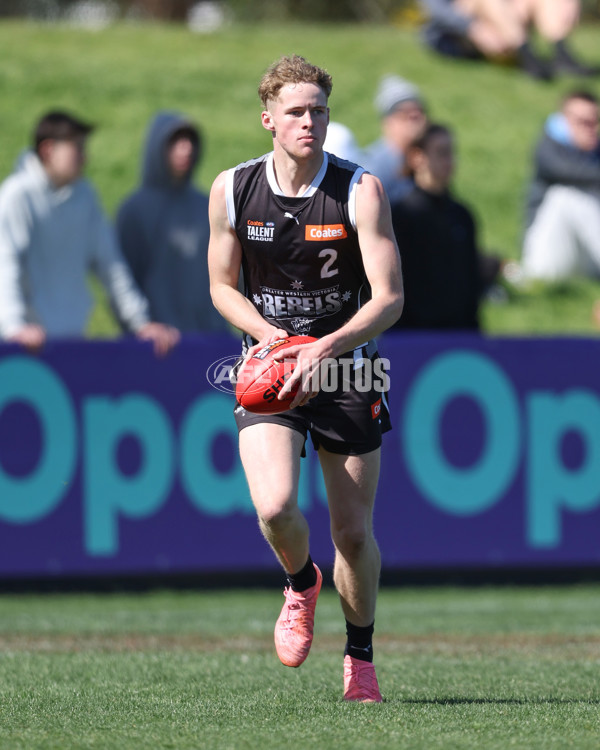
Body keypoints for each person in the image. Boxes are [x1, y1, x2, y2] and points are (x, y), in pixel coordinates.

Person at [207, 55, 403, 702]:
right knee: (273, 506)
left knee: (352, 531)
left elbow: (389, 297)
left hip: (347, 365)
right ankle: (299, 583)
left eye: (318, 109)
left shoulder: (359, 188)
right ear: (268, 119)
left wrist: (329, 345)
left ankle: (361, 656)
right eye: (295, 111)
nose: (309, 122)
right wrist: (271, 342)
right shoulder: (233, 188)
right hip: (271, 371)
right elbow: (221, 286)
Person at [0, 110, 179, 356]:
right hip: (25, 350)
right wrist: (14, 328)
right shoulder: (16, 197)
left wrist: (141, 323)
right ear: (48, 150)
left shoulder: (85, 197)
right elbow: (5, 266)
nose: (84, 158)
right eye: (76, 148)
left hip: (72, 343)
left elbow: (111, 265)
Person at [116, 111, 228, 333]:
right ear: (156, 148)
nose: (185, 148)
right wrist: (139, 327)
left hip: (210, 339)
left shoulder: (207, 206)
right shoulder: (134, 210)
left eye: (190, 141)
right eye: (175, 141)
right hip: (157, 344)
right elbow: (122, 280)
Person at [390, 123, 499, 330]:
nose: (450, 161)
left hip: (459, 335)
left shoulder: (462, 215)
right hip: (412, 337)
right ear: (417, 158)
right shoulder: (401, 215)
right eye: (441, 152)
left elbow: (468, 282)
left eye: (451, 153)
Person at [520, 90, 600, 283]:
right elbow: (572, 173)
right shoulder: (548, 148)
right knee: (566, 196)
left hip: (587, 258)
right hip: (546, 259)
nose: (591, 129)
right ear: (563, 121)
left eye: (594, 122)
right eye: (582, 122)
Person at [419, 0, 598, 81]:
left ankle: (562, 53)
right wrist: (472, 27)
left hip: (502, 27)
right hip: (462, 37)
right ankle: (526, 55)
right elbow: (435, 11)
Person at [362, 75, 428, 203]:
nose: (415, 116)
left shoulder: (427, 159)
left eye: (419, 110)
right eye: (405, 112)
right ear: (387, 122)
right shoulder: (373, 168)